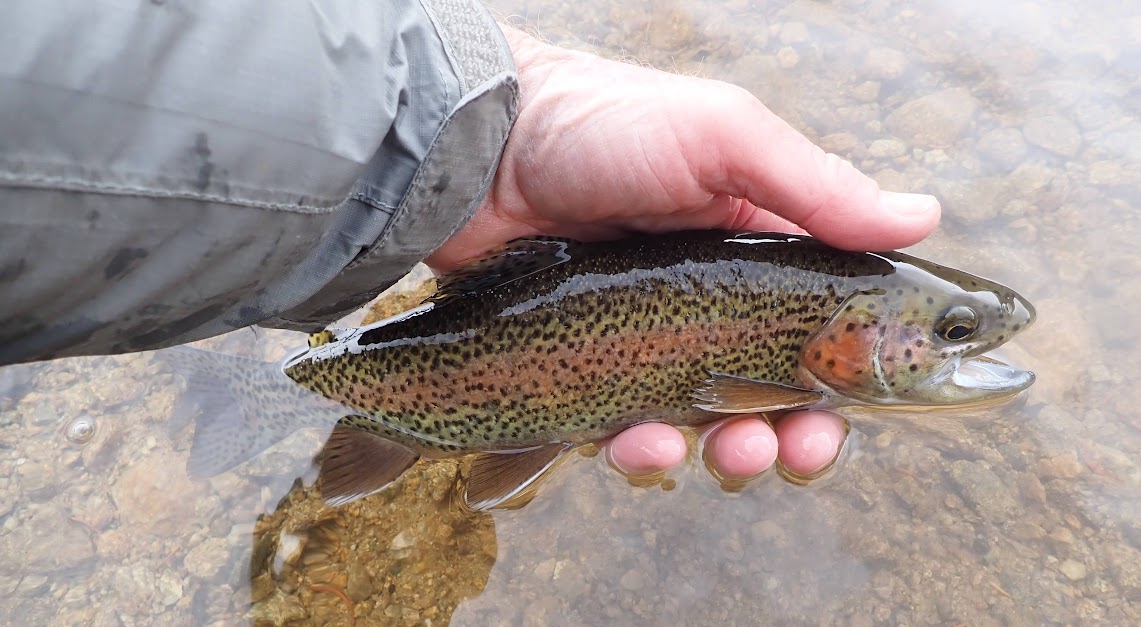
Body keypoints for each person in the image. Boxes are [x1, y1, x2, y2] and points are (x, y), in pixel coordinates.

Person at [1, 0, 940, 482]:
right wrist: (482, 141)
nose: (942, 347)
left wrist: (489, 136)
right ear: (855, 332)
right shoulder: (802, 340)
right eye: (945, 333)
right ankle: (279, 396)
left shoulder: (811, 330)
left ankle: (311, 395)